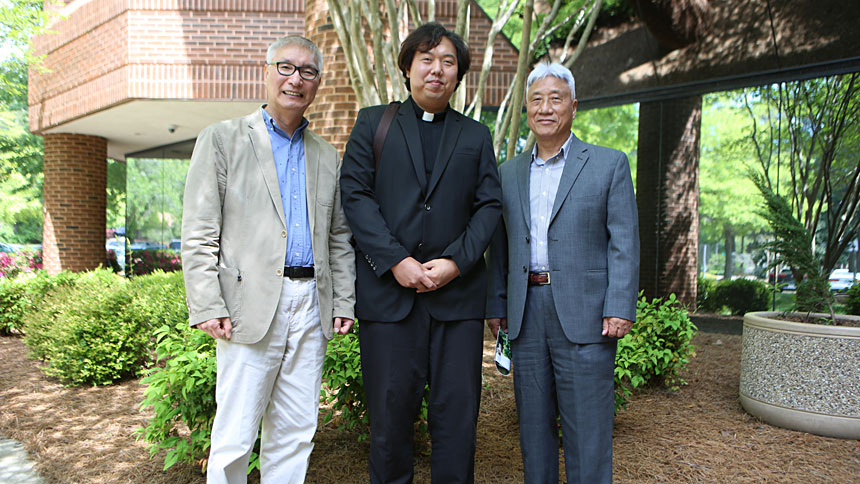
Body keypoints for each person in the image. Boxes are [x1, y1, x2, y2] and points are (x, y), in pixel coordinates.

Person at [181, 36, 356, 484]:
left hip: (310, 307)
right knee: (235, 435)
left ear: (317, 82)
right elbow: (199, 232)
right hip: (250, 306)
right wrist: (207, 303)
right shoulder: (222, 140)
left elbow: (338, 236)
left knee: (296, 432)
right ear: (266, 71)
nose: (296, 79)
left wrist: (343, 301)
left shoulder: (326, 155)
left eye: (308, 72)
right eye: (286, 67)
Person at [340, 22, 502, 484]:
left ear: (458, 75)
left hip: (457, 303)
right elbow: (355, 196)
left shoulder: (475, 135)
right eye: (427, 59)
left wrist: (456, 261)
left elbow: (489, 205)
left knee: (457, 423)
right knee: (389, 425)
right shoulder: (374, 123)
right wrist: (396, 261)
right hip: (389, 301)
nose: (437, 70)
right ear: (408, 66)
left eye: (448, 62)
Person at [486, 61, 640, 484]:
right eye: (536, 99)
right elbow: (500, 246)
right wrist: (497, 305)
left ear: (574, 106)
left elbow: (624, 241)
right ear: (526, 110)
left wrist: (619, 307)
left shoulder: (609, 165)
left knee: (587, 431)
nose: (545, 107)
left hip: (587, 314)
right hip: (526, 313)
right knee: (533, 430)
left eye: (555, 98)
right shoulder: (508, 173)